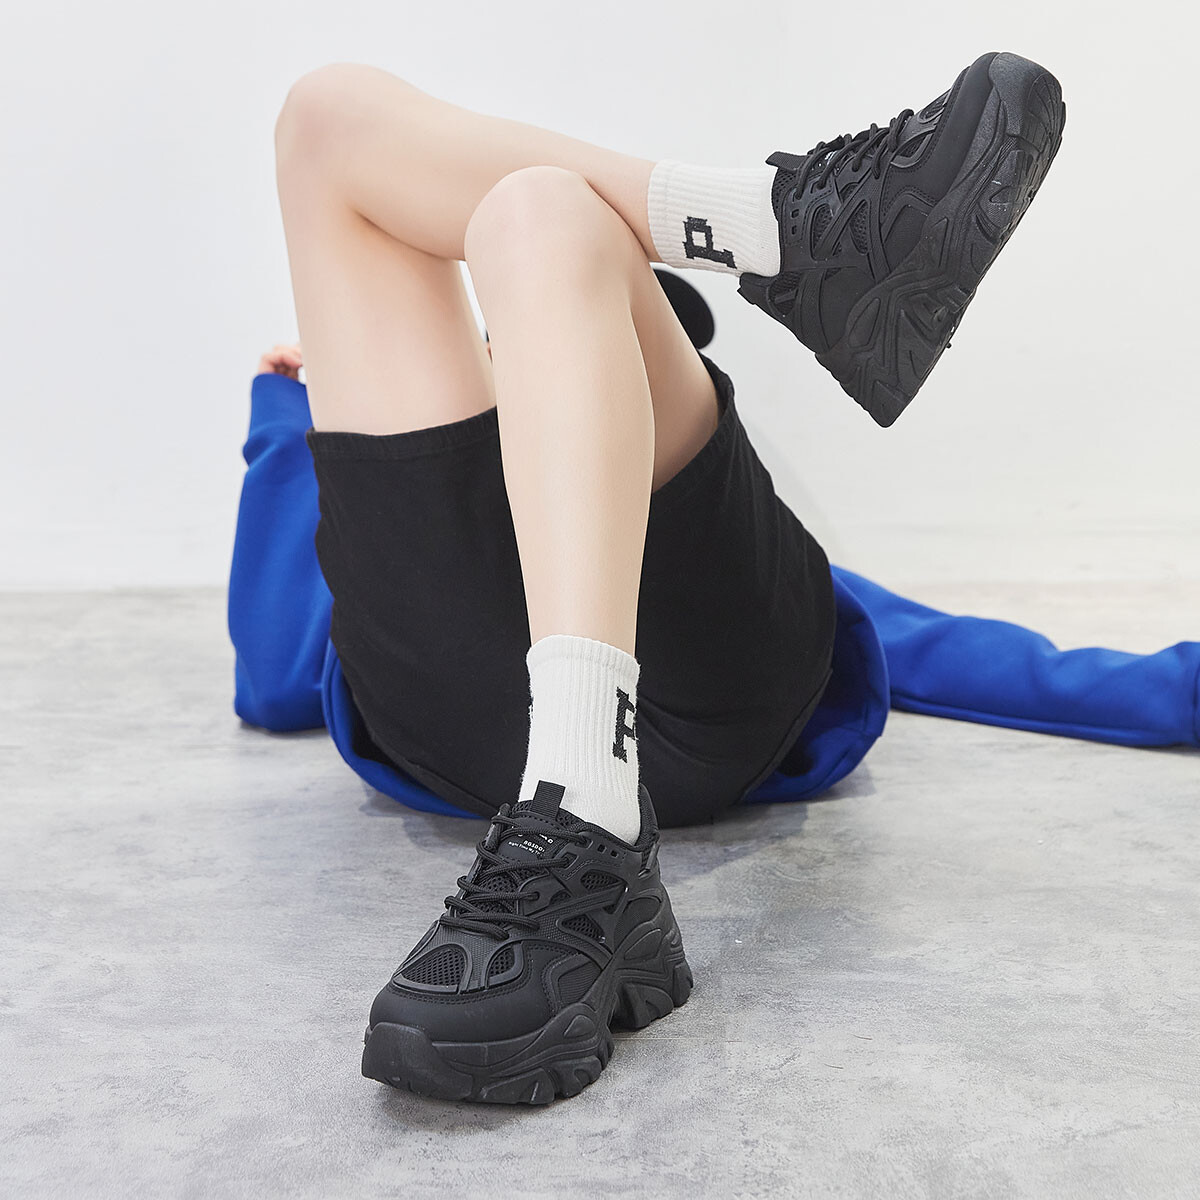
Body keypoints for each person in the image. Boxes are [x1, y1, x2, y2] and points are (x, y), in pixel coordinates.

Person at [259, 51, 1066, 1104]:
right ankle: (788, 234)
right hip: (456, 702)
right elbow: (275, 671)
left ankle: (585, 813)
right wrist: (285, 417)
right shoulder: (358, 390)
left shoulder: (635, 447)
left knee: (534, 209)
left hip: (685, 681)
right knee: (342, 124)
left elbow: (931, 644)